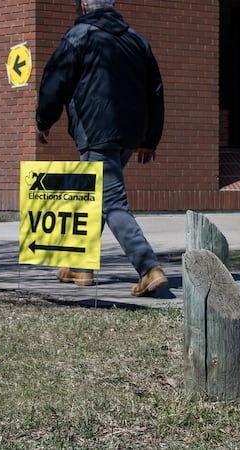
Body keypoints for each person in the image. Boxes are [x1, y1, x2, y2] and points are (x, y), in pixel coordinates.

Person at [36, 0, 168, 297]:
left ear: (83, 6)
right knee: (95, 197)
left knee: (111, 202)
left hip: (97, 133)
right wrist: (149, 139)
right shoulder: (136, 40)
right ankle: (79, 266)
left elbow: (55, 80)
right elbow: (155, 91)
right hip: (129, 135)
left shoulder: (79, 36)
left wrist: (44, 121)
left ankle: (149, 268)